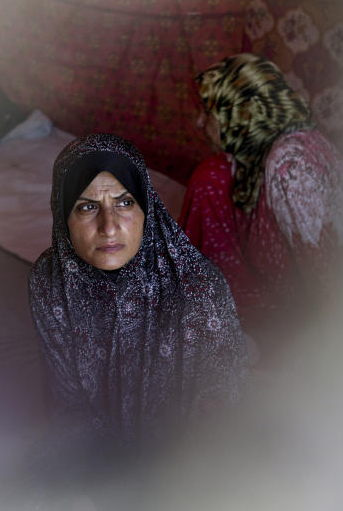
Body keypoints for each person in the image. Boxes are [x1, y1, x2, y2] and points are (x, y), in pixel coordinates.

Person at [28, 133, 247, 475]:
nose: (109, 226)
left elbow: (220, 424)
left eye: (125, 202)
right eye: (87, 207)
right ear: (62, 216)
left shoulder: (197, 290)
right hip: (98, 460)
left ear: (147, 206)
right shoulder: (50, 281)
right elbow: (67, 405)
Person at [179, 54, 343, 352]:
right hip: (279, 288)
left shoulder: (289, 168)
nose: (200, 122)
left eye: (208, 111)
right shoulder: (270, 151)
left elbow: (331, 282)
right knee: (212, 175)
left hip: (312, 313)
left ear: (240, 115)